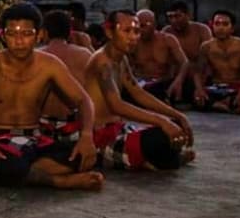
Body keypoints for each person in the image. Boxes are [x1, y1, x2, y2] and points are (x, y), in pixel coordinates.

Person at [0, 2, 101, 190]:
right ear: (3, 36)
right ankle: (61, 181)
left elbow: (83, 99)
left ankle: (2, 177)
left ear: (39, 35)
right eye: (12, 34)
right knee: (7, 163)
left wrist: (87, 136)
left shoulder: (49, 64)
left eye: (26, 34)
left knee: (83, 156)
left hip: (35, 140)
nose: (19, 41)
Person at [83, 10, 194, 171]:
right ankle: (160, 160)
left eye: (136, 31)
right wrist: (162, 121)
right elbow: (117, 106)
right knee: (162, 134)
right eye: (126, 31)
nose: (133, 37)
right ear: (109, 32)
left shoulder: (121, 58)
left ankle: (157, 159)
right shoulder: (102, 61)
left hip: (119, 129)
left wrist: (176, 115)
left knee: (175, 125)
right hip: (101, 137)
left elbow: (138, 92)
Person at [37, 9, 94, 144]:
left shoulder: (36, 56)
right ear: (69, 32)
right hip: (74, 125)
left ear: (45, 32)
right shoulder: (84, 54)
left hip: (42, 126)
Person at [191, 10, 240, 115]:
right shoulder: (206, 46)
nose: (221, 28)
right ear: (212, 26)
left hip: (238, 87)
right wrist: (199, 89)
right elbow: (198, 71)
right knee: (197, 98)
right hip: (217, 87)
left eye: (225, 24)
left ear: (232, 28)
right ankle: (229, 106)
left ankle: (222, 105)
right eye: (217, 24)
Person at [129, 9, 190, 103]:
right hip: (141, 82)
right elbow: (125, 65)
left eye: (144, 26)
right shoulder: (133, 42)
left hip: (163, 83)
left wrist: (178, 81)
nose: (141, 30)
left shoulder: (167, 40)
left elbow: (185, 62)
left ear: (154, 25)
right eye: (138, 26)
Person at [161, 0, 211, 102]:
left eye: (178, 16)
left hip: (199, 77)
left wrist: (197, 83)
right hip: (175, 76)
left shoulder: (202, 30)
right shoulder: (166, 32)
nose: (174, 20)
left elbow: (206, 60)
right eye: (170, 17)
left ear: (188, 15)